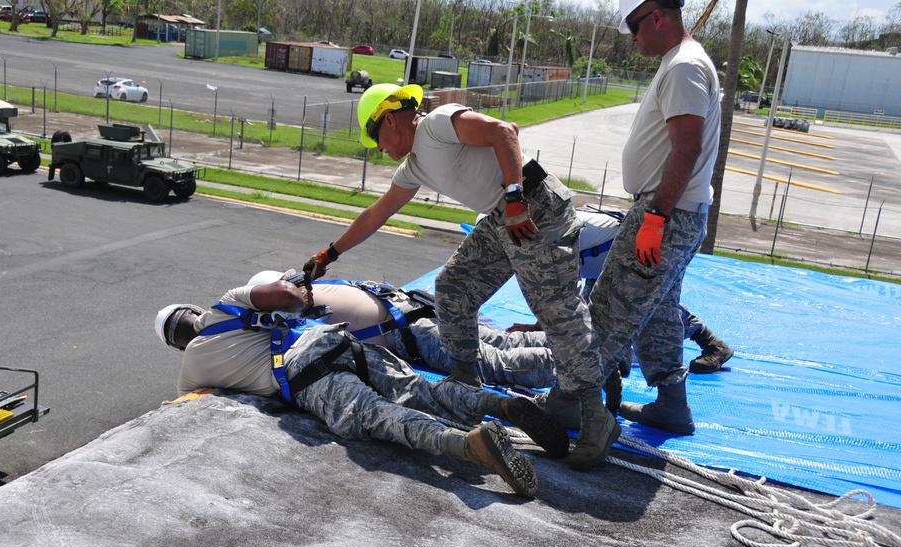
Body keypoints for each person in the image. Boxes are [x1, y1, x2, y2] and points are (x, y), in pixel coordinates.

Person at [301, 83, 619, 471]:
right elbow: (377, 213)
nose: (380, 149)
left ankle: (593, 413)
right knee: (453, 287)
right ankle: (467, 384)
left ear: (389, 120)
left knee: (558, 311)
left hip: (533, 205)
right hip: (502, 216)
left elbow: (505, 131)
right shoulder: (414, 165)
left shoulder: (437, 124)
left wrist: (517, 198)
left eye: (376, 137)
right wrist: (328, 254)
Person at [153, 276, 583, 498]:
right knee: (422, 390)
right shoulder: (228, 302)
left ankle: (468, 445)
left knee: (382, 416)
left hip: (305, 377)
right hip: (335, 340)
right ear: (192, 309)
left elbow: (184, 405)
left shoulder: (192, 369)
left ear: (175, 345)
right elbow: (287, 295)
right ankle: (500, 405)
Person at [585, 0, 722, 435]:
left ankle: (575, 402)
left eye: (635, 27)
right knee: (660, 311)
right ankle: (671, 404)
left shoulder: (683, 67)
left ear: (657, 16)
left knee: (609, 305)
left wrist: (655, 219)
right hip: (676, 211)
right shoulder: (680, 62)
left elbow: (686, 147)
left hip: (668, 211)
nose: (633, 37)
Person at [246, 270, 558, 391]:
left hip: (416, 331)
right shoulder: (321, 286)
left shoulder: (298, 312)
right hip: (424, 309)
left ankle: (580, 367)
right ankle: (585, 346)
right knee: (505, 341)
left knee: (494, 364)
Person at [508, 209, 734, 375]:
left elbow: (564, 293)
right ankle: (617, 360)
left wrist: (537, 328)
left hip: (623, 245)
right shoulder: (533, 236)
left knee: (648, 303)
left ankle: (712, 343)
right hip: (600, 258)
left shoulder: (548, 236)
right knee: (599, 314)